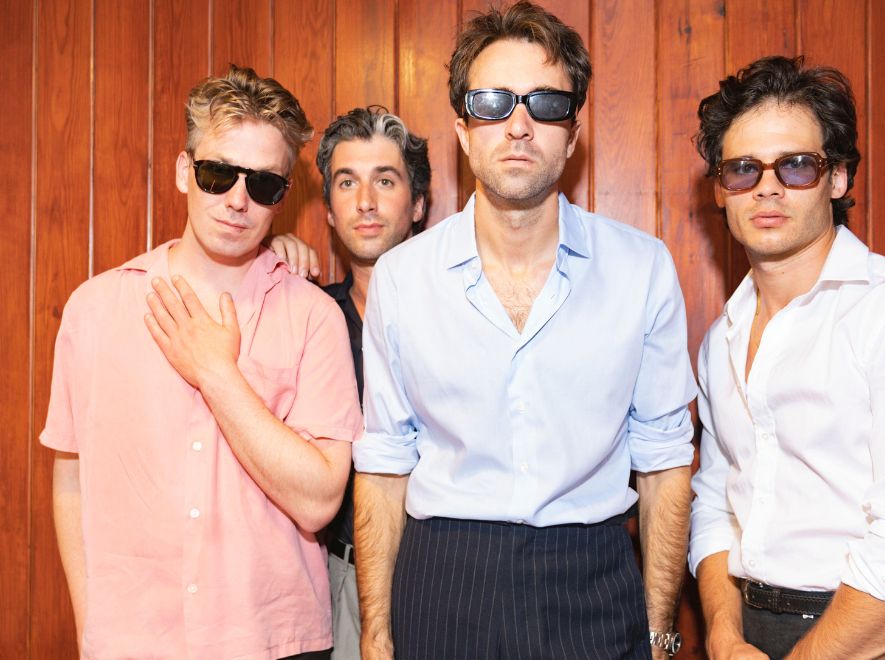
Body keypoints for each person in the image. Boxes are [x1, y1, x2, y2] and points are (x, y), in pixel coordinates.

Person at [352, 3, 695, 659]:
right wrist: (375, 634)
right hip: (443, 580)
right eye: (492, 102)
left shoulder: (642, 268)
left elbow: (664, 462)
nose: (518, 125)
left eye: (545, 103)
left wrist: (660, 636)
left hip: (595, 581)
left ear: (572, 134)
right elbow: (385, 464)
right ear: (462, 131)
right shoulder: (402, 277)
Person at [43, 65, 363, 659]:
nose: (238, 201)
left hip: (275, 641)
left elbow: (319, 498)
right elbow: (71, 479)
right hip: (132, 642)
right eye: (217, 174)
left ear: (283, 197)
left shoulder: (314, 317)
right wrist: (92, 628)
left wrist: (216, 373)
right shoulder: (95, 309)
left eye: (263, 184)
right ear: (182, 172)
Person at [689, 55, 885, 659]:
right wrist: (724, 638)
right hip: (752, 633)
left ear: (837, 178)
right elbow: (716, 504)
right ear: (721, 191)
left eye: (796, 165)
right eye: (743, 169)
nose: (767, 187)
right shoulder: (720, 337)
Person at [271, 105, 430, 660]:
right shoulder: (306, 315)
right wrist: (263, 258)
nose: (365, 201)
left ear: (417, 204)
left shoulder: (460, 316)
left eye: (385, 180)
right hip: (343, 573)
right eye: (346, 182)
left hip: (446, 572)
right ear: (330, 213)